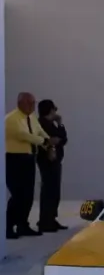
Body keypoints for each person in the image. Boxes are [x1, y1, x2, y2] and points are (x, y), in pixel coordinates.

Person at [5, 92, 52, 238]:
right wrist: (43, 142)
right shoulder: (11, 119)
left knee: (28, 195)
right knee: (18, 195)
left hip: (29, 158)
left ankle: (22, 225)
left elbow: (39, 131)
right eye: (29, 103)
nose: (32, 106)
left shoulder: (31, 117)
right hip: (15, 159)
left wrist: (48, 142)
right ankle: (8, 226)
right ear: (20, 103)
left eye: (33, 103)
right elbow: (23, 135)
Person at [36, 99, 68, 232]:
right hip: (48, 161)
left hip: (54, 161)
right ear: (51, 110)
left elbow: (63, 139)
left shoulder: (49, 124)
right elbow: (57, 139)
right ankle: (45, 221)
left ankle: (51, 219)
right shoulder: (42, 124)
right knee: (49, 190)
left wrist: (59, 126)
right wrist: (59, 127)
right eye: (55, 109)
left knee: (54, 190)